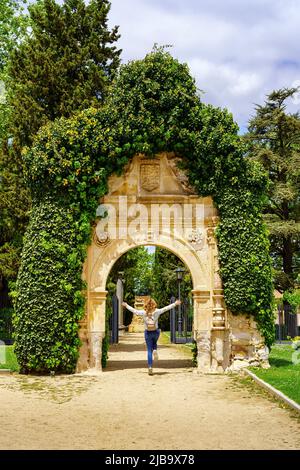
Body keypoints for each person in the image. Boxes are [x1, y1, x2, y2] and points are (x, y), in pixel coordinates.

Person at [122, 297, 181, 375]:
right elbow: (166, 308)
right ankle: (155, 349)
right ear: (154, 304)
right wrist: (175, 304)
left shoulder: (143, 312)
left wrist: (126, 305)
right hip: (156, 331)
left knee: (149, 350)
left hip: (148, 332)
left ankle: (150, 367)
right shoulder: (157, 311)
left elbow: (134, 311)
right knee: (154, 343)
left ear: (145, 305)